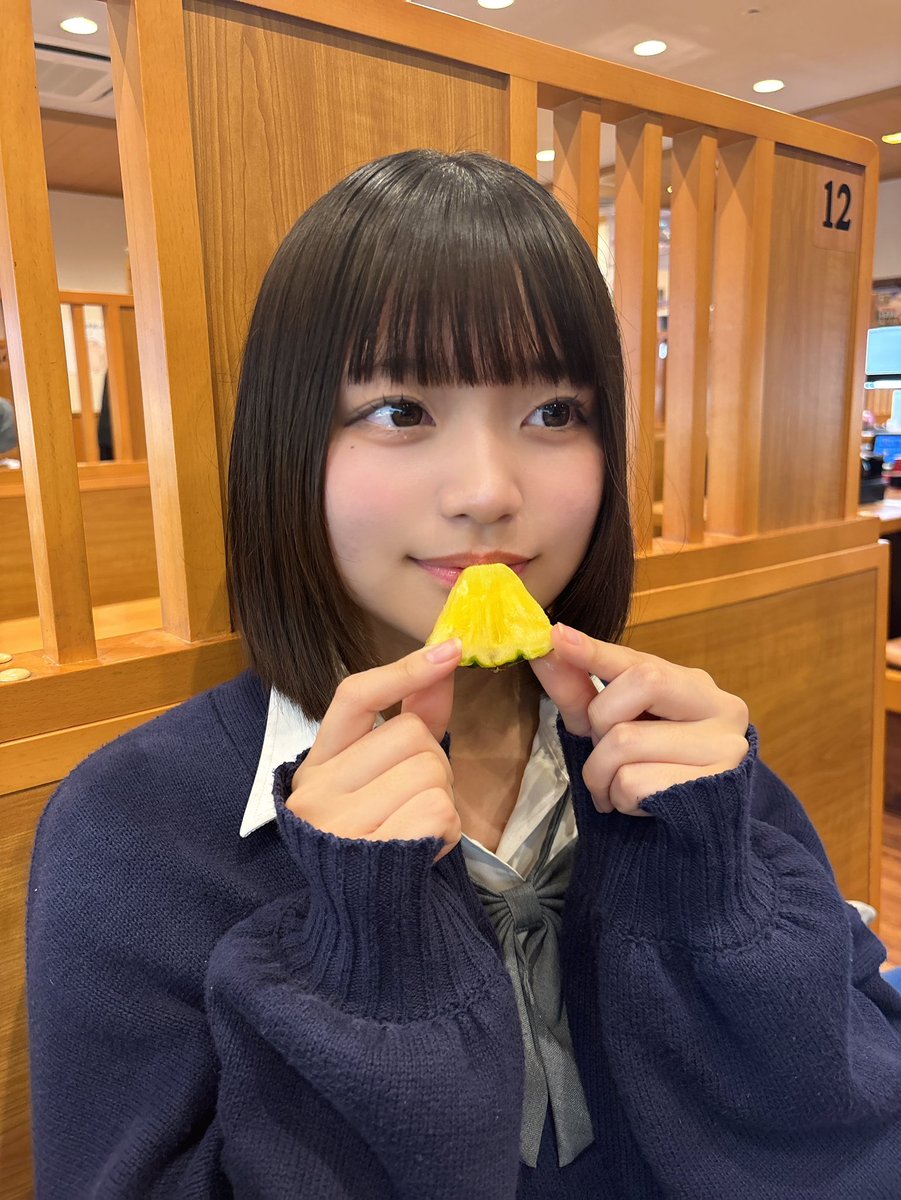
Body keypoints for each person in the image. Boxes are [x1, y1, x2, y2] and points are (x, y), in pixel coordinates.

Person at [26, 150, 901, 1199]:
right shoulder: (136, 827)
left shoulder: (676, 761)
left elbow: (857, 1145)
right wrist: (364, 959)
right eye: (400, 410)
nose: (488, 490)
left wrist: (715, 895)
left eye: (554, 412)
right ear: (285, 443)